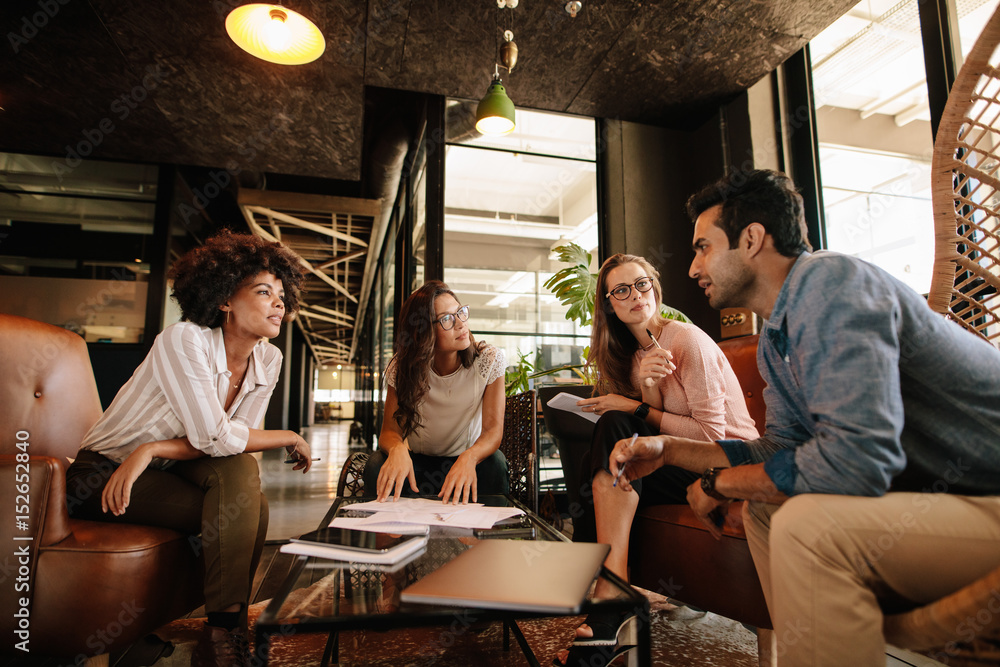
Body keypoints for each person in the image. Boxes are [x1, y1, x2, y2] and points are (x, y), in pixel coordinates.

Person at [611, 169, 1000, 665]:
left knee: (807, 526)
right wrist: (670, 451)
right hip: (946, 505)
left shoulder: (832, 282)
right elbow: (781, 449)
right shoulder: (779, 337)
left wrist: (719, 484)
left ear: (751, 239)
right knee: (769, 509)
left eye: (703, 247)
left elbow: (857, 461)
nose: (691, 268)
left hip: (988, 495)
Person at [65, 231, 313, 667]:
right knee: (249, 507)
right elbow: (217, 437)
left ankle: (220, 634)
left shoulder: (268, 359)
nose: (279, 304)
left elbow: (233, 440)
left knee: (242, 479)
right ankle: (224, 636)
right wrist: (290, 436)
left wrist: (153, 448)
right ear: (224, 301)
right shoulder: (185, 340)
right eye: (263, 292)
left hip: (166, 465)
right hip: (103, 473)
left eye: (281, 295)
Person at [555, 253, 759, 667]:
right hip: (673, 461)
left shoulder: (686, 339)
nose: (635, 295)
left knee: (615, 425)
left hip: (728, 462)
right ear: (609, 304)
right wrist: (645, 391)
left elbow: (710, 437)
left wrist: (633, 408)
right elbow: (653, 430)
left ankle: (608, 598)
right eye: (621, 290)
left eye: (642, 283)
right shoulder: (632, 354)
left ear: (656, 287)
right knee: (605, 449)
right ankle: (608, 595)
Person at [362, 280, 508, 504]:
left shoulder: (488, 360)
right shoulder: (402, 368)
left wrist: (469, 457)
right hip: (418, 467)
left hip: (468, 463)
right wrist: (397, 448)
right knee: (375, 465)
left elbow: (492, 432)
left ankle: (485, 536)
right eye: (447, 319)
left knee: (495, 464)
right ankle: (386, 535)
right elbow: (389, 432)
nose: (460, 324)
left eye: (460, 312)